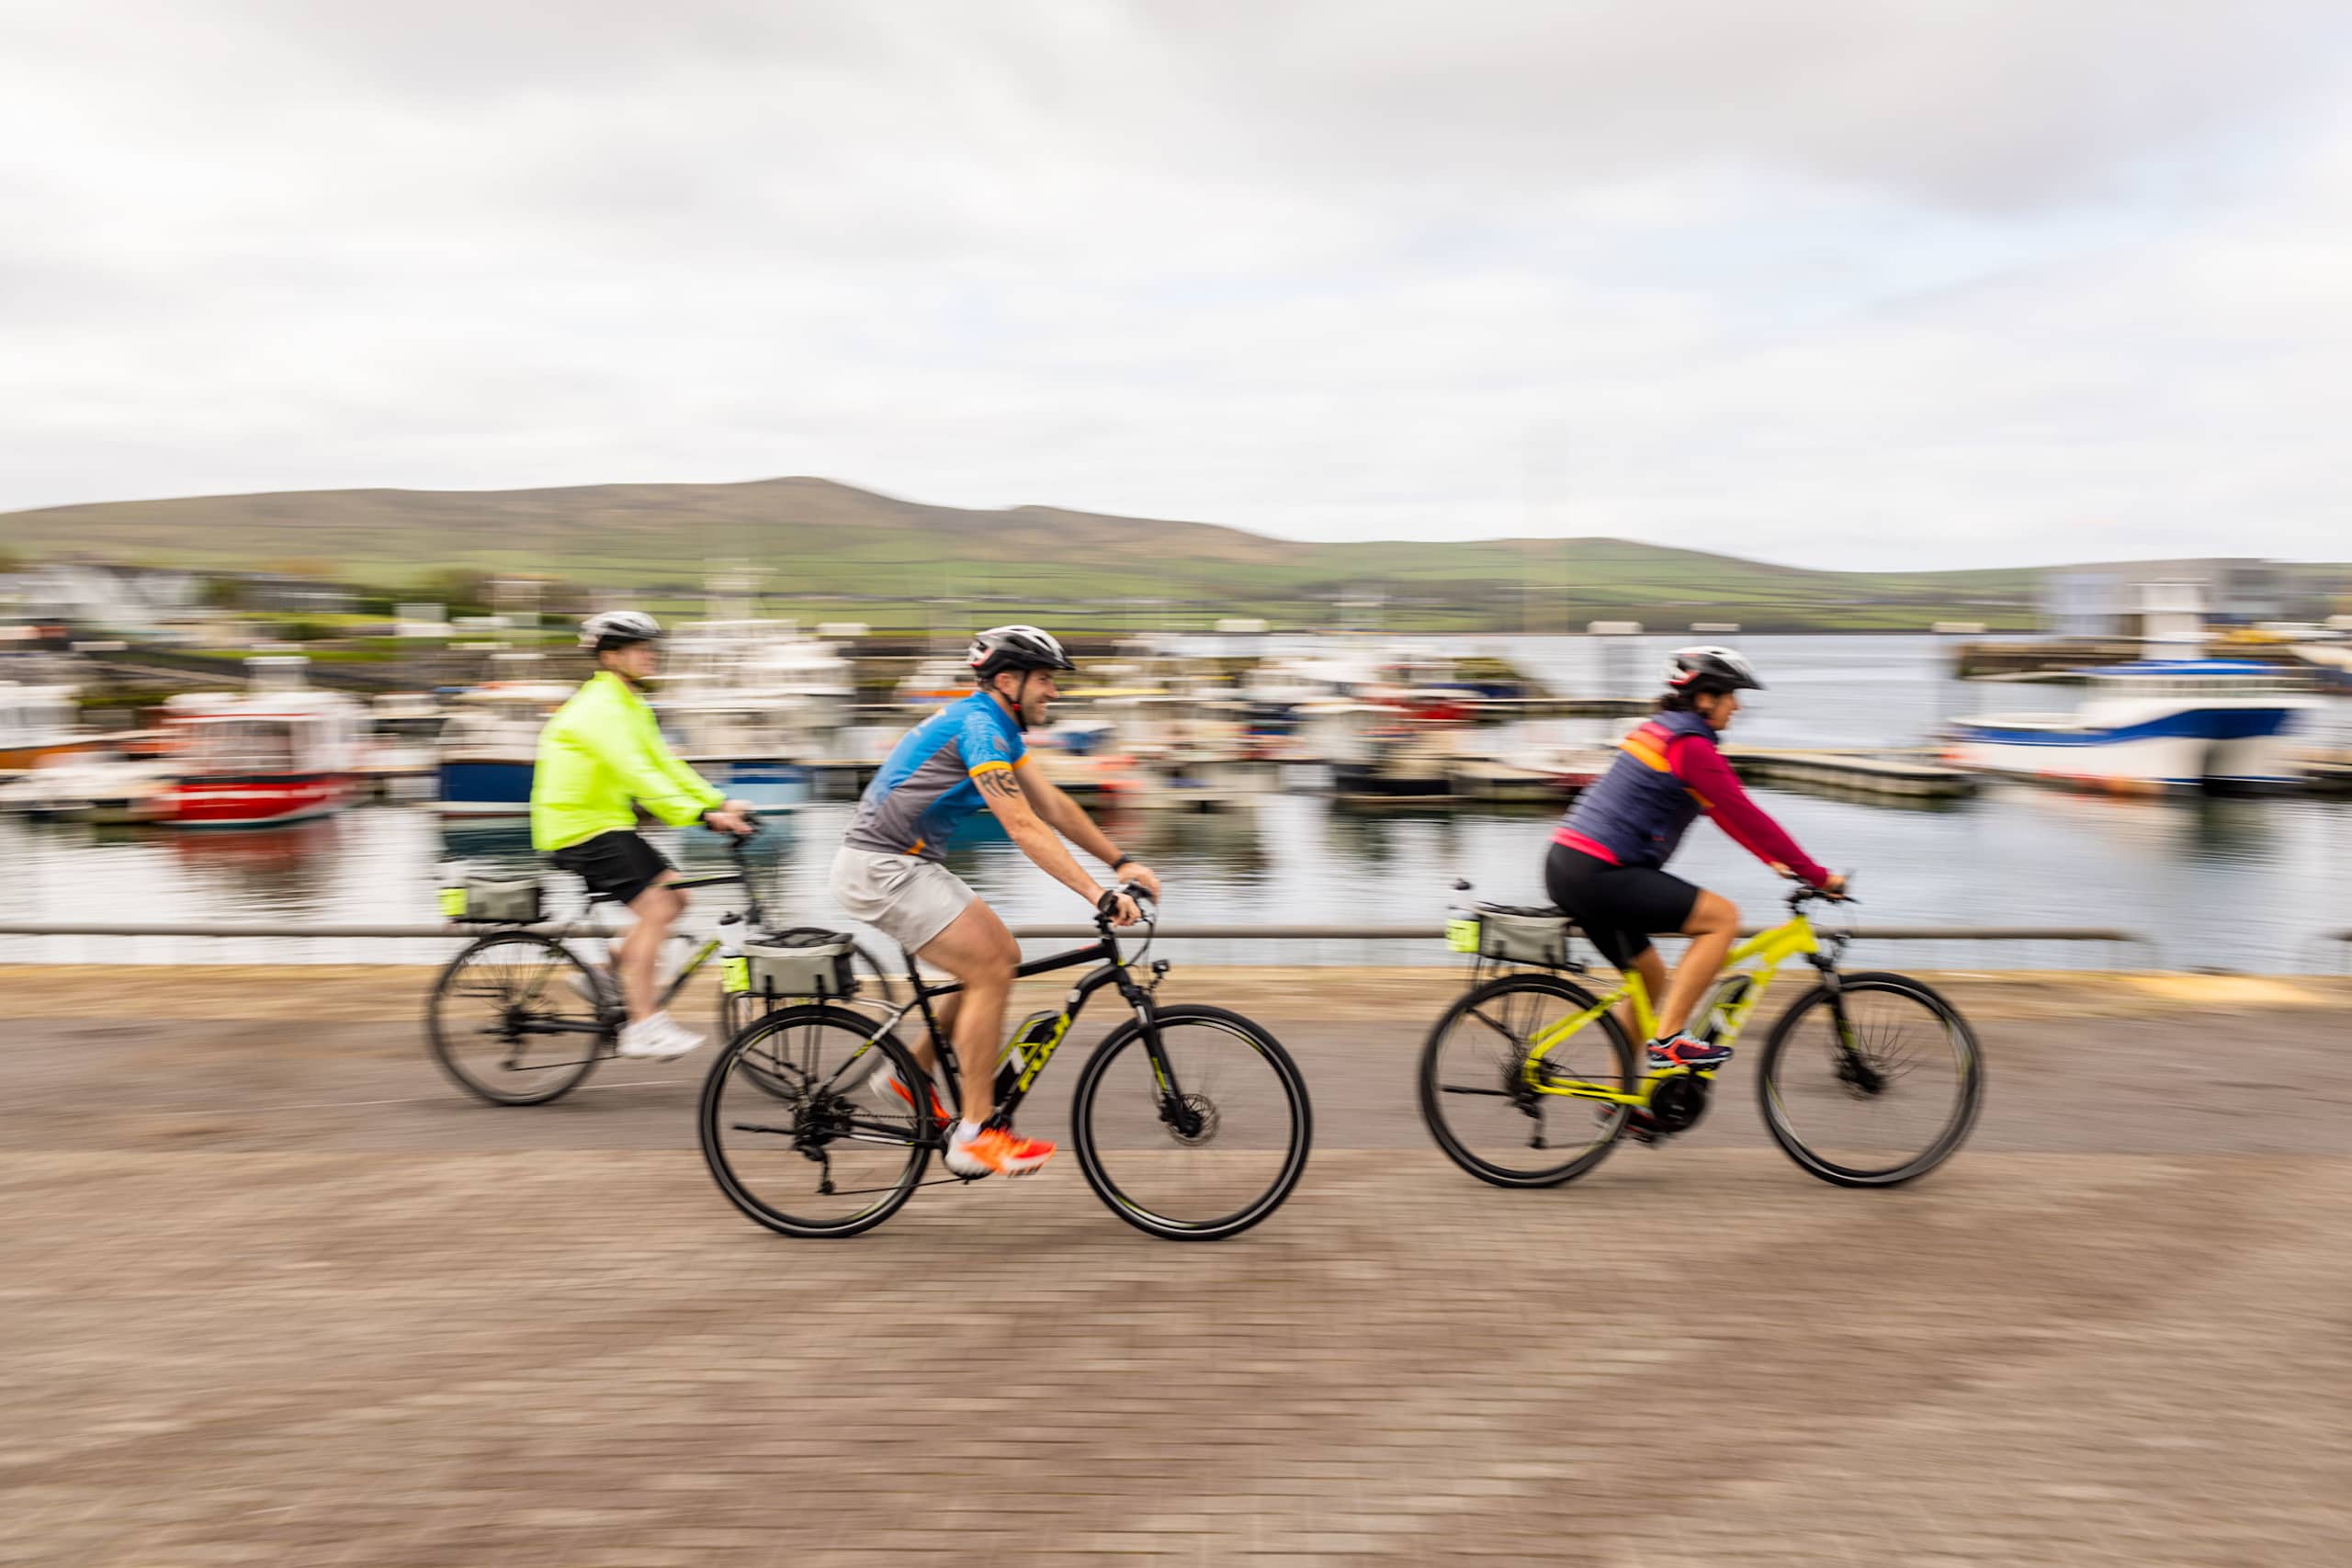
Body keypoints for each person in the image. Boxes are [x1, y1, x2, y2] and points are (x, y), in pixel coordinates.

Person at [830, 625, 1159, 1179]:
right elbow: (1022, 826)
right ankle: (975, 1134)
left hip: (901, 864)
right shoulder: (980, 727)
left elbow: (1052, 805)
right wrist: (1097, 893)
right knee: (988, 968)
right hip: (881, 867)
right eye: (1046, 681)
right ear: (1008, 680)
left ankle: (906, 1071)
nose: (1053, 693)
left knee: (999, 956)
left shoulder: (995, 726)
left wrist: (1120, 861)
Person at [1547, 646, 1845, 1075]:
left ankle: (1619, 1100)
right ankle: (1668, 1042)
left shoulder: (1663, 731)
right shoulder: (1692, 748)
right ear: (1705, 697)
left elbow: (1725, 815)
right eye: (1731, 695)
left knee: (1650, 979)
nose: (1737, 706)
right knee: (1722, 919)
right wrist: (1817, 875)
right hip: (1600, 872)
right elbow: (1747, 813)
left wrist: (1773, 862)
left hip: (1568, 866)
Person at [531, 610, 755, 1060]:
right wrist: (700, 815)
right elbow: (639, 776)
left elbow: (666, 766)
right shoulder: (601, 708)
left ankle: (604, 973)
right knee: (656, 905)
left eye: (652, 647)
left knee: (677, 897)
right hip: (578, 826)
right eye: (640, 648)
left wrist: (717, 801)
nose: (651, 655)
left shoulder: (631, 704)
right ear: (611, 656)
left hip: (602, 821)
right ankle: (643, 1024)